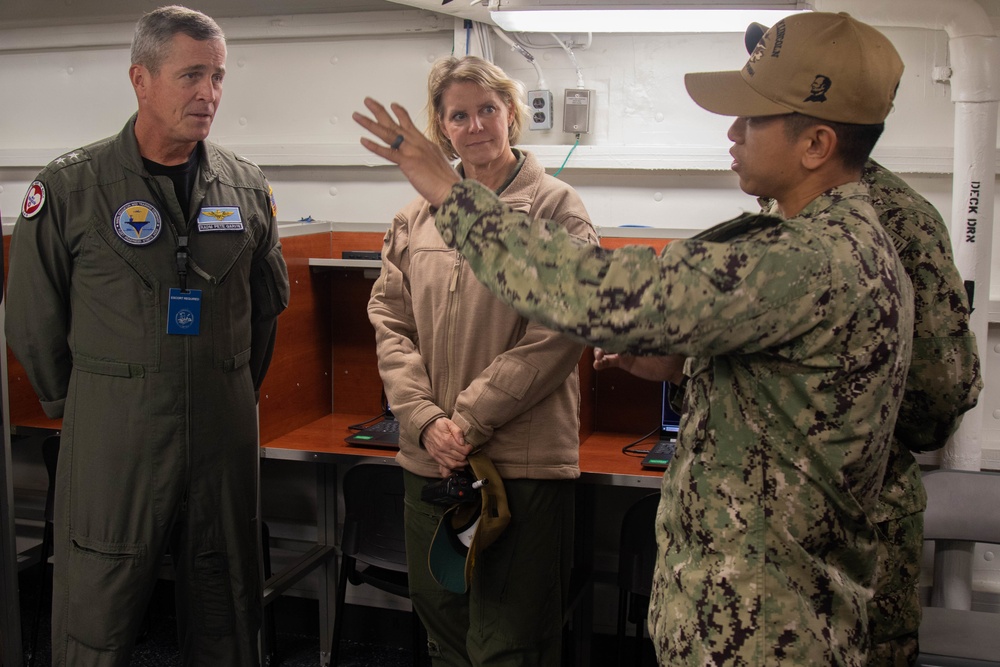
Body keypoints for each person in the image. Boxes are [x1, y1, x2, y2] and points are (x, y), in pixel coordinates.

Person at [355, 12, 916, 666]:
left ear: (817, 143)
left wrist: (450, 193)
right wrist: (687, 365)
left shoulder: (799, 257)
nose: (732, 132)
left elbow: (584, 295)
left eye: (753, 119)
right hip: (768, 596)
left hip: (766, 614)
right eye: (457, 116)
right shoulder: (848, 241)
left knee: (509, 637)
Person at [596, 24, 986, 666]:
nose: (740, 127)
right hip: (759, 554)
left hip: (839, 536)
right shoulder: (788, 211)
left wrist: (837, 432)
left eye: (762, 101)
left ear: (818, 131)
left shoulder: (890, 222)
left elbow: (939, 395)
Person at [6, 6, 290, 666]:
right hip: (116, 433)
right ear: (141, 78)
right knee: (95, 612)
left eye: (218, 76)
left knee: (228, 605)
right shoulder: (71, 187)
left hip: (222, 433)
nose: (209, 93)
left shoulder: (245, 187)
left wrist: (229, 385)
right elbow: (31, 320)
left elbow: (267, 309)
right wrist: (88, 404)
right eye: (192, 75)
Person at [366, 55, 597, 665]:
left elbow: (560, 328)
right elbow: (391, 322)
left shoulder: (555, 207)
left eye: (488, 110)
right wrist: (421, 418)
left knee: (511, 638)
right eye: (459, 115)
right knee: (441, 620)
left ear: (512, 115)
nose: (475, 127)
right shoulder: (415, 217)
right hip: (431, 459)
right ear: (442, 129)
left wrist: (468, 420)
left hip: (520, 458)